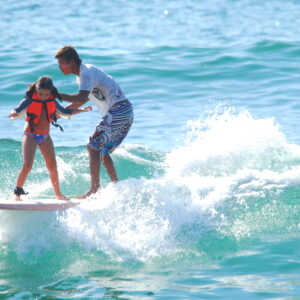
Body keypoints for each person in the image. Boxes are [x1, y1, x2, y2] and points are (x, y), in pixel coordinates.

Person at [55, 46, 133, 198]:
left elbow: (81, 98)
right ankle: (116, 188)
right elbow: (79, 102)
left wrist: (55, 94)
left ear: (72, 61)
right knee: (103, 151)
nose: (59, 67)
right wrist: (57, 115)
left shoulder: (86, 72)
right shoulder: (83, 76)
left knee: (93, 145)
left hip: (119, 110)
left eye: (62, 63)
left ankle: (94, 190)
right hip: (126, 112)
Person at [9, 76, 92, 201]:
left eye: (46, 94)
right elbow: (16, 110)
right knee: (27, 165)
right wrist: (13, 113)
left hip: (44, 136)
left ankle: (58, 194)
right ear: (36, 90)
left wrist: (82, 110)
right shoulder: (29, 100)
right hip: (30, 135)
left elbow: (65, 112)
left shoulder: (52, 101)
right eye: (40, 93)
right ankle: (17, 193)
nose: (43, 96)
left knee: (52, 166)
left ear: (51, 91)